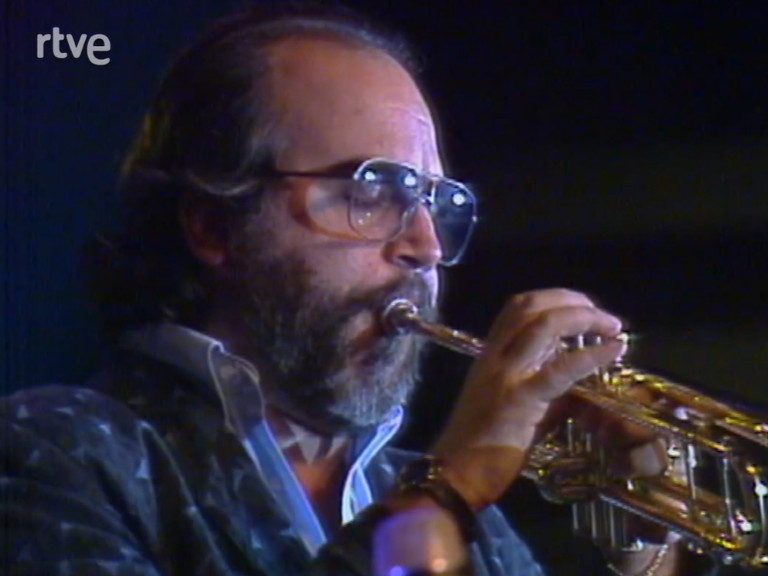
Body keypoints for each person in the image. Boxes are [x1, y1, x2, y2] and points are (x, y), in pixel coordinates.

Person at [0, 4, 691, 575]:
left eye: (435, 201)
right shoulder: (52, 452)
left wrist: (646, 555)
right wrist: (452, 484)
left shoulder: (450, 512)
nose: (425, 247)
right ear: (214, 224)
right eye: (373, 190)